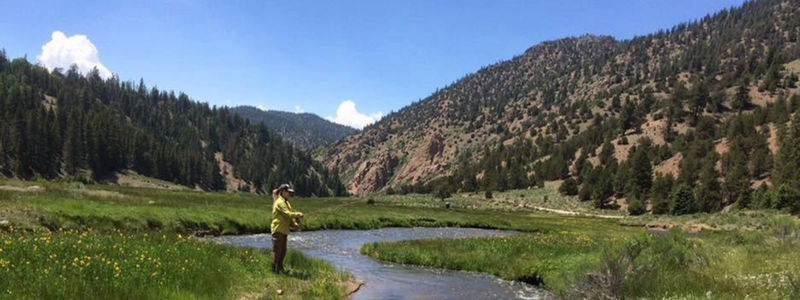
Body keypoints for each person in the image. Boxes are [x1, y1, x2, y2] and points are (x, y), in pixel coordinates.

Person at [270, 184, 304, 274]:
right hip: (278, 229)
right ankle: (274, 270)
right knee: (277, 250)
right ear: (282, 192)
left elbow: (289, 217)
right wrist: (298, 214)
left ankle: (279, 268)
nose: (289, 194)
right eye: (288, 192)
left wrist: (294, 224)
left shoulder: (286, 202)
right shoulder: (280, 202)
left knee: (283, 251)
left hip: (284, 230)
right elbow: (288, 214)